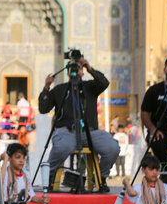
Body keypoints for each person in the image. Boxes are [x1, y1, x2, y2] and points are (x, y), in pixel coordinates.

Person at [38, 56, 119, 191]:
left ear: (83, 71)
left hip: (90, 132)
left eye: (79, 68)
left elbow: (104, 83)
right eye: (73, 68)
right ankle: (50, 177)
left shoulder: (90, 87)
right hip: (66, 131)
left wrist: (89, 67)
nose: (77, 71)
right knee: (63, 147)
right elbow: (43, 108)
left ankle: (101, 178)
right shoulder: (60, 89)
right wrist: (46, 87)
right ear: (68, 72)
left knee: (112, 147)